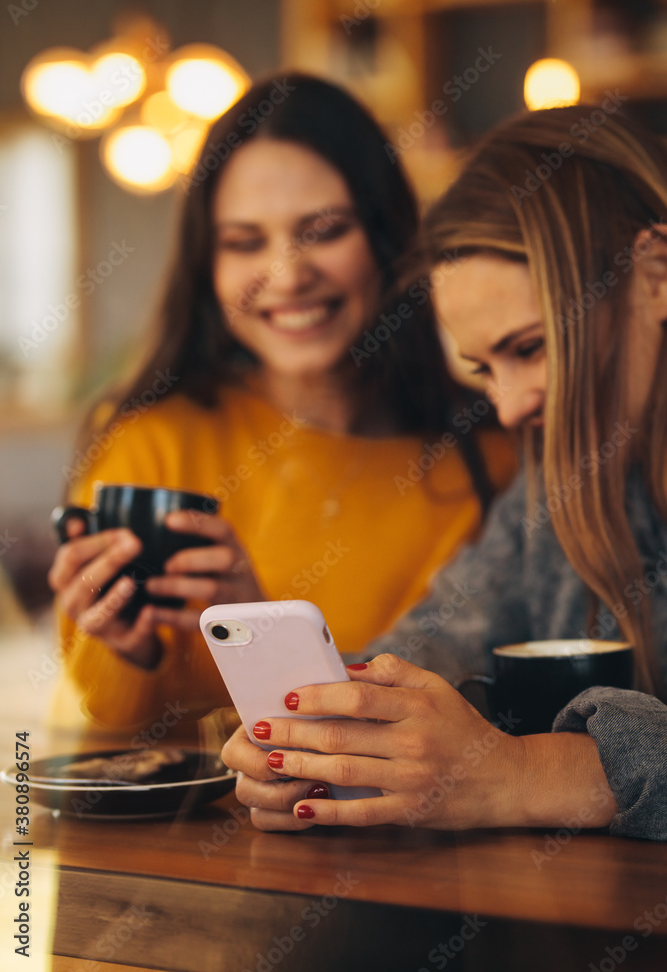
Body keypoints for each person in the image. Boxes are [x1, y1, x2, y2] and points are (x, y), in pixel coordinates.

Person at [223, 103, 667, 841]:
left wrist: (524, 775)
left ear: (653, 273)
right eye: (483, 369)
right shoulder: (556, 489)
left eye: (529, 347)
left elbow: (510, 770)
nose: (510, 405)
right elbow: (437, 639)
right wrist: (319, 738)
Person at [48, 73, 515, 732]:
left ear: (386, 238)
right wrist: (128, 647)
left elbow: (486, 715)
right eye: (244, 243)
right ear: (206, 266)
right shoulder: (151, 444)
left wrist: (263, 635)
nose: (287, 275)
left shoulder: (497, 448)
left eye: (323, 231)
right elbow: (112, 726)